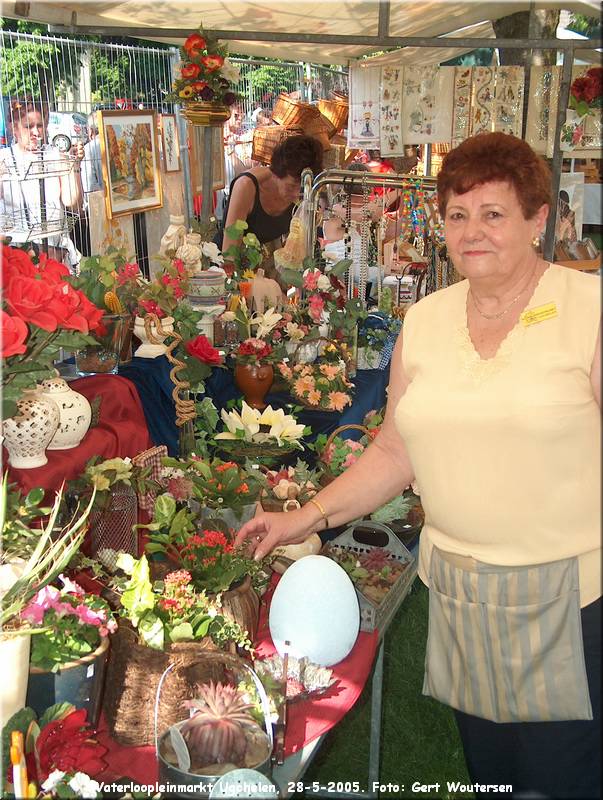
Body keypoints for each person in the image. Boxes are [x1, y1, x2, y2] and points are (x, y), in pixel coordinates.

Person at [237, 132, 601, 799]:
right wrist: (303, 517)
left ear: (538, 218)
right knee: (491, 775)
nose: (472, 232)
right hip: (459, 591)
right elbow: (393, 451)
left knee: (559, 781)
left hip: (567, 601)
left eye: (494, 214)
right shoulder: (426, 320)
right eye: (457, 215)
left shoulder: (589, 313)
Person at [216, 134, 323, 280]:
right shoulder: (247, 186)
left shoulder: (302, 194)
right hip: (226, 269)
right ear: (277, 173)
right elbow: (230, 253)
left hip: (259, 269)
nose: (297, 194)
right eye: (291, 186)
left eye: (302, 188)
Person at [0, 99, 84, 268]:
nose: (35, 132)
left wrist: (74, 165)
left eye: (39, 126)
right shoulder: (4, 160)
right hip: (19, 258)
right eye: (28, 126)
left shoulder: (55, 155)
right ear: (13, 128)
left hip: (56, 253)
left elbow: (72, 203)